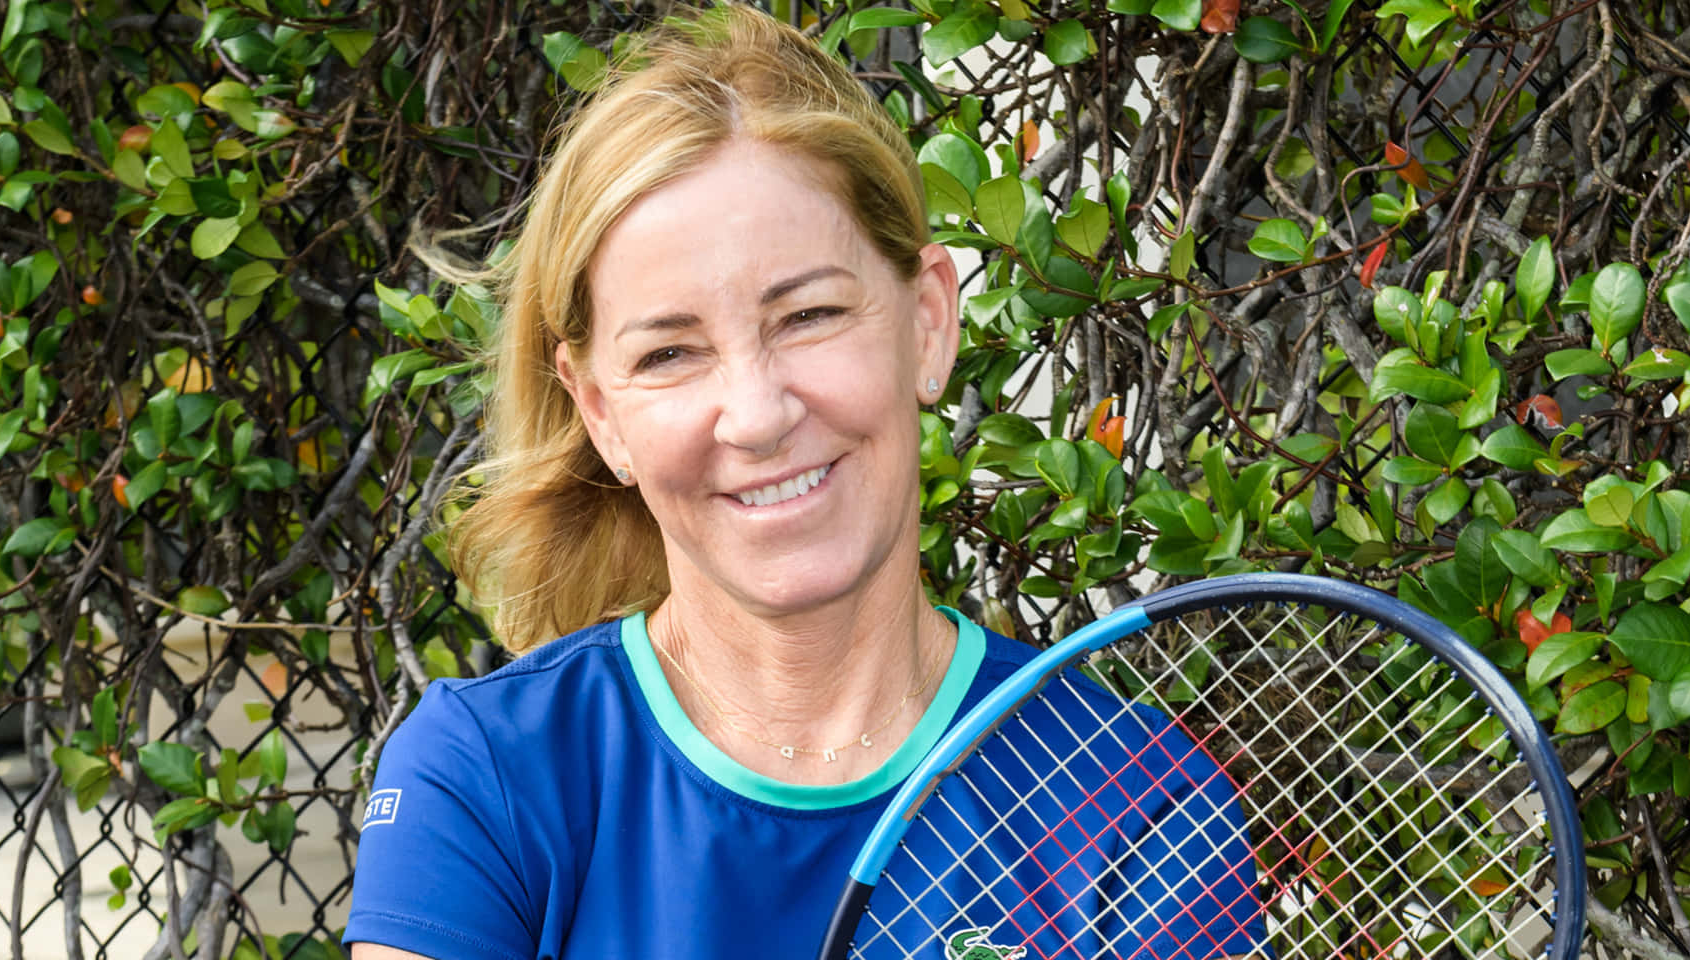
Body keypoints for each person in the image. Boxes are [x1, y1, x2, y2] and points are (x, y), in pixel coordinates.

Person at [343, 6, 1263, 958]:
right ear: (600, 412)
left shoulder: (1137, 802)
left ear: (929, 323)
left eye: (809, 315)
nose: (757, 413)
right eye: (668, 353)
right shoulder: (489, 776)